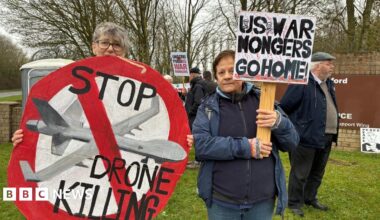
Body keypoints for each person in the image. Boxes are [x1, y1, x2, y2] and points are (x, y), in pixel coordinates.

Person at [12, 22, 194, 148]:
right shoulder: (73, 81)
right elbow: (51, 122)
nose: (110, 49)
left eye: (117, 45)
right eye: (104, 43)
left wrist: (179, 137)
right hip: (80, 169)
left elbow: (156, 122)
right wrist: (26, 139)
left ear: (124, 51)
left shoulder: (139, 86)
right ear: (94, 46)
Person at [191, 50, 299, 219]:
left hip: (262, 201)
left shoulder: (264, 101)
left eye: (232, 70)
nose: (227, 76)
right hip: (222, 201)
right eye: (221, 72)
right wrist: (246, 147)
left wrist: (279, 122)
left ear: (244, 71)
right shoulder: (207, 108)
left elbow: (292, 142)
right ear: (216, 77)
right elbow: (201, 146)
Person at [280, 52, 339, 217]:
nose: (332, 66)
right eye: (328, 63)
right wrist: (298, 128)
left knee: (317, 172)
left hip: (326, 136)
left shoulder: (329, 84)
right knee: (300, 173)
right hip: (305, 137)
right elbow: (285, 107)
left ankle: (309, 198)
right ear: (317, 65)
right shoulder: (301, 82)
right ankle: (293, 203)